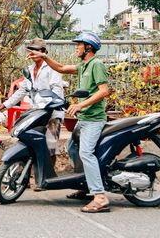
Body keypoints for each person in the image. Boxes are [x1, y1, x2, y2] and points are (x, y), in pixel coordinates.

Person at [27, 32, 110, 213]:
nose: (76, 48)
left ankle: (100, 196)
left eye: (79, 45)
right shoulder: (84, 65)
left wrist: (81, 105)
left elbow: (104, 91)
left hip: (94, 119)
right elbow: (62, 68)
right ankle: (87, 184)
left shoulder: (96, 64)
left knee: (86, 153)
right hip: (85, 119)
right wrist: (44, 56)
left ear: (88, 47)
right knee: (72, 148)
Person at [0, 38, 65, 173]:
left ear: (44, 52)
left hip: (52, 113)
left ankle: (47, 176)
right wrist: (5, 105)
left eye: (36, 50)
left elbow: (57, 90)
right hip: (36, 114)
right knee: (29, 142)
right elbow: (23, 90)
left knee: (50, 147)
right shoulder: (30, 69)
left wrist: (49, 104)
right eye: (31, 50)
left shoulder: (52, 68)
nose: (33, 53)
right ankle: (25, 177)